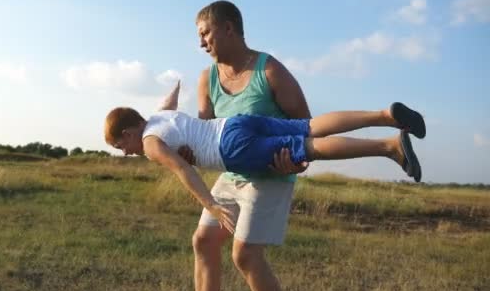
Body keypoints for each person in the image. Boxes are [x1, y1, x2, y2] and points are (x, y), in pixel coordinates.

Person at [104, 100, 424, 225]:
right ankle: (384, 115)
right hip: (234, 124)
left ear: (131, 131)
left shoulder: (149, 144)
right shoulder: (160, 116)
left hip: (232, 149)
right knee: (309, 126)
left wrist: (212, 205)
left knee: (308, 148)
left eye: (122, 144)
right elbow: (169, 102)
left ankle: (389, 147)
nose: (125, 151)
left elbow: (182, 170)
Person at [190, 0, 310, 291]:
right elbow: (204, 133)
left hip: (270, 174)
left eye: (205, 34)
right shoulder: (207, 79)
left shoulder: (269, 70)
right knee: (203, 240)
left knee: (245, 255)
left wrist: (297, 161)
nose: (201, 42)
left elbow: (306, 125)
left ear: (228, 28)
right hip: (231, 176)